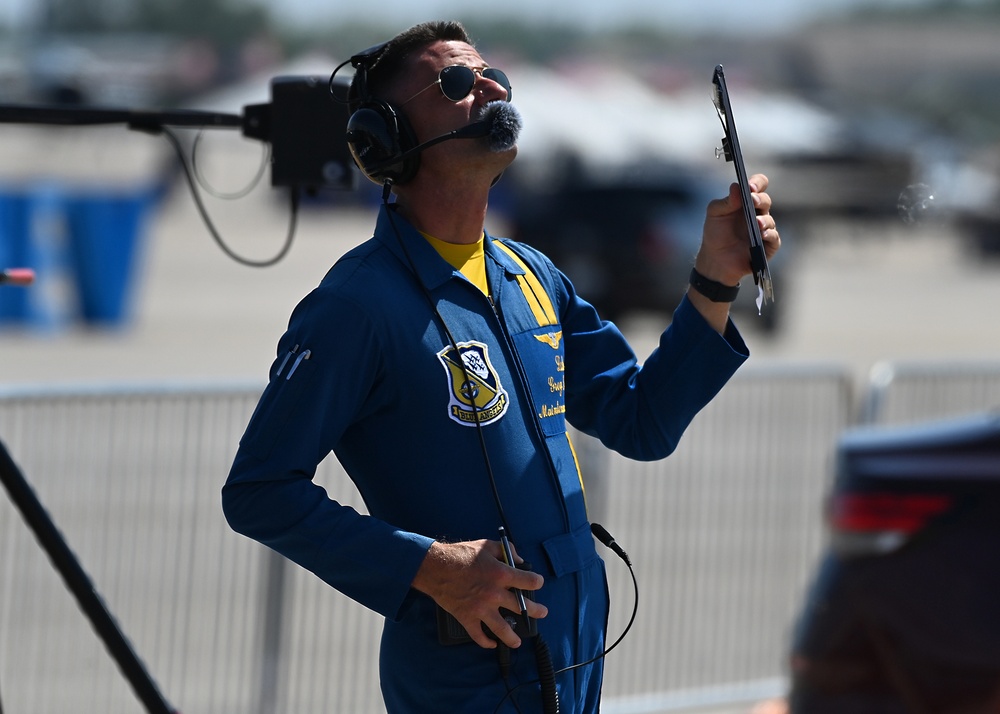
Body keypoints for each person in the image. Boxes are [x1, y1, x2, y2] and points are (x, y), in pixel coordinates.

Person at [222, 19, 781, 714]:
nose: (489, 86)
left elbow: (642, 421)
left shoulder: (531, 274)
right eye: (457, 80)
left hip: (572, 650)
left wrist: (714, 280)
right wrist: (429, 568)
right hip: (466, 670)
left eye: (495, 77)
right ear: (388, 136)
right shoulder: (355, 306)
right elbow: (258, 490)